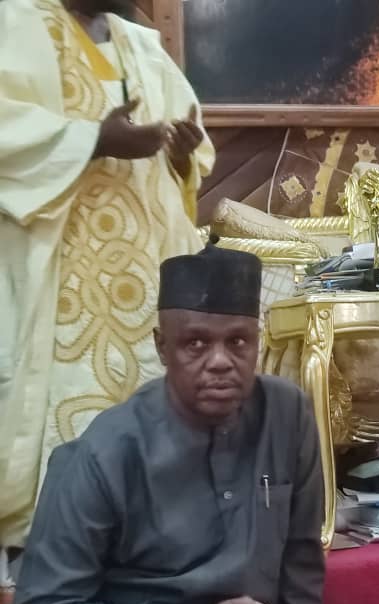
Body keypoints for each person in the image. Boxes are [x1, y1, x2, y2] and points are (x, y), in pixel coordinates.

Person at [2, 245, 379, 604]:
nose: (221, 361)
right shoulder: (105, 452)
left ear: (257, 342)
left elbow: (300, 563)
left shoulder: (287, 416)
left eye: (238, 341)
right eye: (196, 344)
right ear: (163, 346)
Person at [0, 0, 215, 552]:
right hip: (55, 280)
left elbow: (189, 147)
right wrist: (92, 140)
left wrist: (181, 157)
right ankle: (51, 566)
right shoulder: (12, 23)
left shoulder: (140, 44)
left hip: (144, 279)